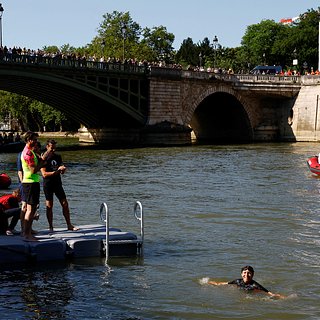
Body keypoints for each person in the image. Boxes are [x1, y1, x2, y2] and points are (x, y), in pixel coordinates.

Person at [40, 139, 78, 232]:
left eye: (54, 148)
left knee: (65, 203)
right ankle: (51, 226)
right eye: (51, 148)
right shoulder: (43, 158)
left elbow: (61, 170)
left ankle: (69, 224)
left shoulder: (58, 157)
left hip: (57, 183)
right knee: (49, 205)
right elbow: (44, 174)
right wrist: (56, 172)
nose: (53, 150)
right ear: (47, 147)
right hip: (48, 184)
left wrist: (63, 169)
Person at [21, 131, 52, 241]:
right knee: (30, 209)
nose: (36, 141)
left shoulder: (30, 151)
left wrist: (43, 158)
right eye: (34, 139)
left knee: (32, 209)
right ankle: (26, 235)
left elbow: (38, 163)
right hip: (30, 183)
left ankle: (28, 233)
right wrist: (42, 162)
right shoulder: (28, 153)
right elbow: (33, 170)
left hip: (32, 183)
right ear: (29, 140)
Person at [208, 265, 285, 298]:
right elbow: (224, 283)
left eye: (249, 273)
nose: (246, 275)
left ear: (252, 275)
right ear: (241, 274)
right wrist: (213, 283)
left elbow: (269, 293)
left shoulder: (255, 285)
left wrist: (282, 297)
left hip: (251, 293)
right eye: (244, 273)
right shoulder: (237, 281)